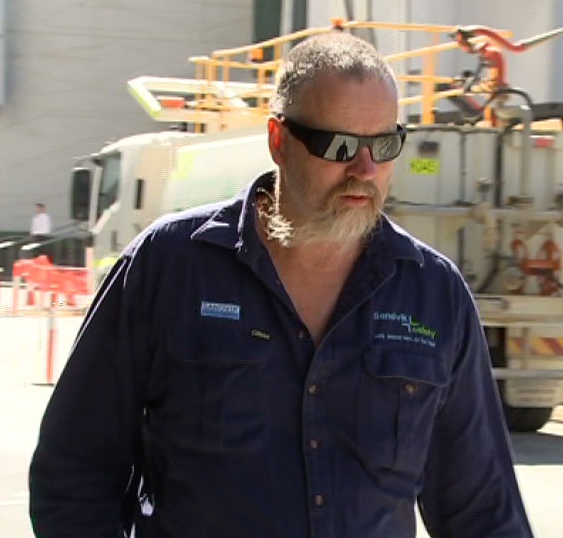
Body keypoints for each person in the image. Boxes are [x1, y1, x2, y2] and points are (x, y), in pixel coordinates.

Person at [29, 31, 533, 538]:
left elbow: (483, 512)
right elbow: (74, 469)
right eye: (339, 146)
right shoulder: (169, 266)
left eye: (385, 144)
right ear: (278, 141)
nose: (366, 169)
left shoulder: (434, 295)